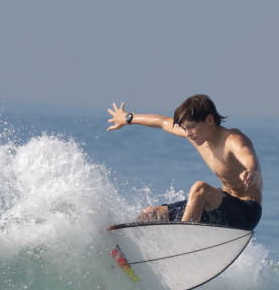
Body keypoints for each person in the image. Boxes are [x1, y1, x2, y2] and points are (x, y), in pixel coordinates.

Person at [107, 94, 262, 231]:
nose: (188, 133)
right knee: (152, 213)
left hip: (246, 213)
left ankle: (181, 240)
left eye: (192, 127)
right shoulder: (197, 136)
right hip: (221, 209)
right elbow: (162, 122)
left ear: (209, 120)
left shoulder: (232, 140)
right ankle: (124, 244)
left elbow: (249, 157)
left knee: (200, 188)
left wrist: (251, 172)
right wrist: (127, 118)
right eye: (185, 128)